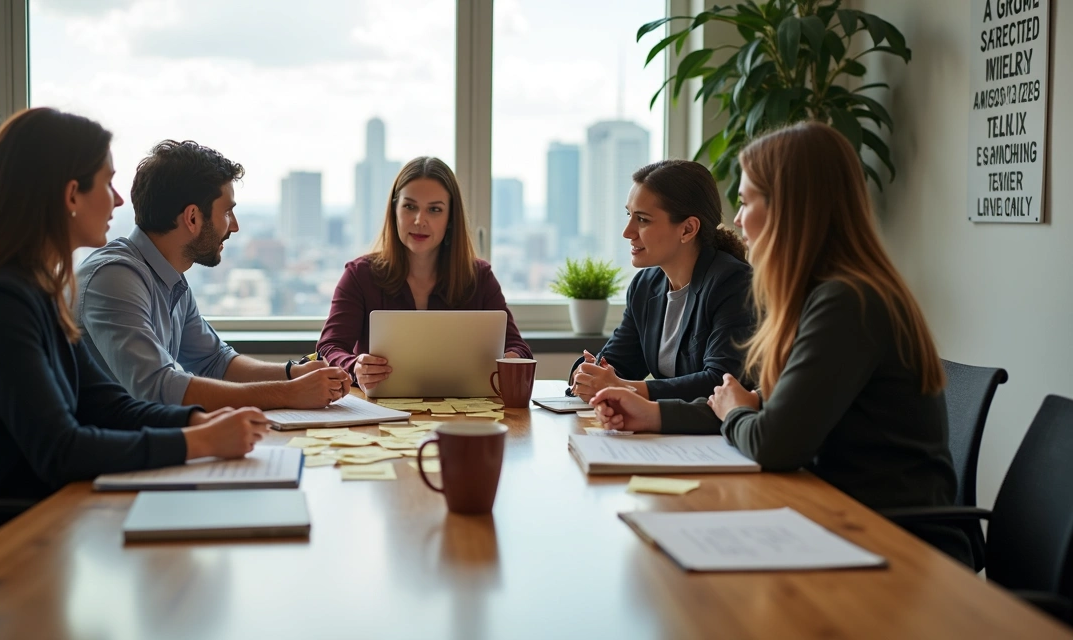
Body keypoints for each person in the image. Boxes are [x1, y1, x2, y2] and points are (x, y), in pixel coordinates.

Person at [592, 121, 971, 566]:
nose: (736, 220)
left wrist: (735, 409)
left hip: (888, 538)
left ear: (791, 209)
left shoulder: (846, 301)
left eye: (746, 201)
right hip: (834, 515)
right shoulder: (820, 295)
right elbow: (768, 412)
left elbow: (772, 439)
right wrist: (653, 413)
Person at [0, 108, 269, 501]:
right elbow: (61, 450)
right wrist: (199, 442)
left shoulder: (34, 292)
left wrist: (197, 421)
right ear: (72, 195)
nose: (119, 201)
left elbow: (108, 406)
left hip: (27, 523)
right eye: (108, 184)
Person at [74, 140, 351, 410]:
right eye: (228, 212)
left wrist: (293, 373)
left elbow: (215, 361)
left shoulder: (171, 279)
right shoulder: (113, 277)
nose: (235, 226)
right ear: (193, 218)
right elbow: (158, 388)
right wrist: (289, 393)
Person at [317, 156, 532, 390]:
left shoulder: (479, 277)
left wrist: (511, 359)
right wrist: (354, 366)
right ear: (394, 211)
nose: (420, 220)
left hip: (465, 416)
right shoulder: (360, 275)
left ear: (450, 218)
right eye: (410, 207)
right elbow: (329, 348)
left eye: (435, 210)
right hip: (382, 415)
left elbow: (519, 348)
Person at [567, 159, 753, 403]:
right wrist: (588, 373)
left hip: (720, 435)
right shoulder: (646, 285)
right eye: (629, 215)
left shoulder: (733, 283)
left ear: (687, 229)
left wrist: (624, 388)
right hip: (665, 434)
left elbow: (720, 383)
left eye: (642, 219)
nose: (627, 232)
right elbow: (618, 363)